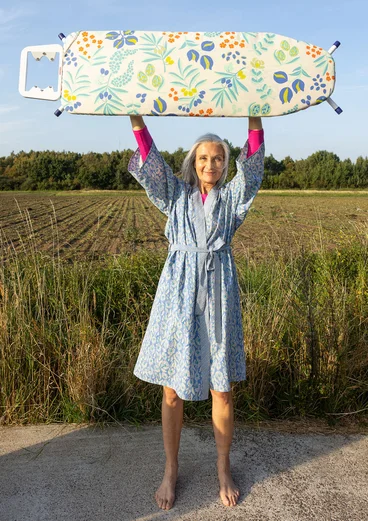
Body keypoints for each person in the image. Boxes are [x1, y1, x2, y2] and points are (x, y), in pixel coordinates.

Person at [128, 114, 264, 510]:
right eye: (203, 158)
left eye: (219, 158)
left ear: (225, 163)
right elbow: (148, 157)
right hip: (179, 294)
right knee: (172, 389)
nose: (211, 165)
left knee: (221, 387)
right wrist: (136, 117)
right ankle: (170, 470)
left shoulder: (232, 198)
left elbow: (253, 161)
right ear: (193, 162)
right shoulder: (175, 194)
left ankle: (223, 468)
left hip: (218, 295)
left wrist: (254, 111)